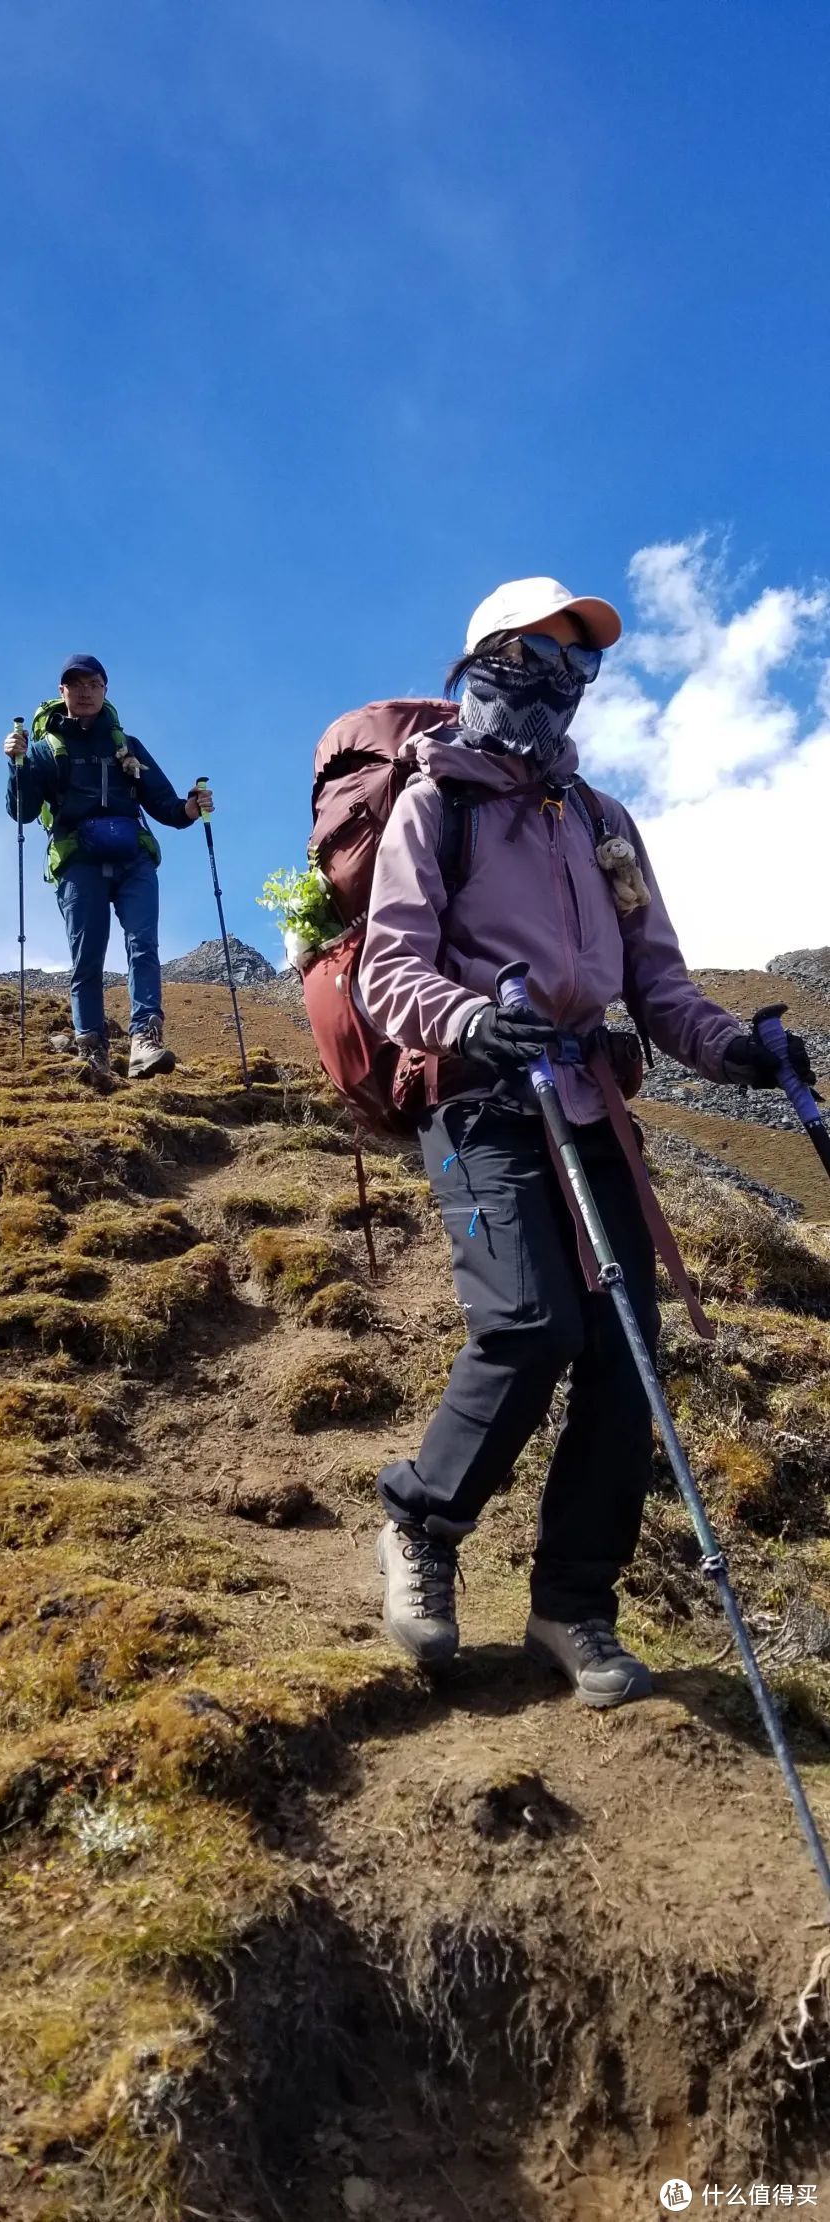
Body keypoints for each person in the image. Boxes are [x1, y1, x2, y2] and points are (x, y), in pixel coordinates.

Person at [360, 576, 816, 1706]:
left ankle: (573, 1604)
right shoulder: (436, 804)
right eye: (538, 658)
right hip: (480, 1095)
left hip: (587, 1095)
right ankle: (422, 1521)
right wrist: (472, 1016)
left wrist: (734, 1051)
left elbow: (655, 981)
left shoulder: (605, 820)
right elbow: (389, 967)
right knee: (529, 1321)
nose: (559, 685)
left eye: (579, 667)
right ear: (483, 662)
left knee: (625, 1353)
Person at [4, 655, 213, 1079]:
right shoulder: (45, 750)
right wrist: (17, 765)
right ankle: (91, 1050)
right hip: (77, 860)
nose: (85, 691)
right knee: (88, 957)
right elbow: (24, 812)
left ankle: (144, 1039)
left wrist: (191, 809)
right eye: (76, 684)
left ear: (105, 690)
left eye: (94, 684)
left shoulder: (126, 746)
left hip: (133, 857)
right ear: (62, 692)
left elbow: (164, 805)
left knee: (143, 944)